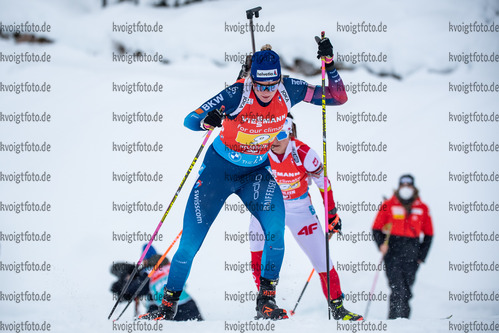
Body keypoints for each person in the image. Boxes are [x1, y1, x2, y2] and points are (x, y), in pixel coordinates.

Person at [140, 36, 348, 320]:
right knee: (190, 243)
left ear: (279, 79)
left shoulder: (290, 90)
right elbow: (190, 119)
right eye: (260, 85)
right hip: (219, 172)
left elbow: (337, 97)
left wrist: (329, 64)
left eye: (271, 85)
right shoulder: (236, 94)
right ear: (252, 78)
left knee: (275, 231)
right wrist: (207, 120)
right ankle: (167, 305)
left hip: (255, 174)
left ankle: (267, 300)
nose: (265, 91)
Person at [248, 116, 363, 321]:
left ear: (290, 133)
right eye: (271, 135)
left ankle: (338, 307)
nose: (275, 141)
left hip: (299, 208)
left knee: (322, 258)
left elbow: (323, 183)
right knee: (257, 249)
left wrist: (331, 214)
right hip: (267, 206)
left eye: (281, 135)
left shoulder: (303, 153)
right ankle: (265, 305)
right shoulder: (260, 151)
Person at [371, 174, 433, 319]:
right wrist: (381, 245)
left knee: (406, 290)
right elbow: (376, 228)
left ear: (413, 187)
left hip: (412, 252)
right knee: (396, 288)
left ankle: (404, 322)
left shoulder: (422, 208)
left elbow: (429, 234)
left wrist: (421, 257)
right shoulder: (389, 204)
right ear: (399, 187)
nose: (406, 188)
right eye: (403, 185)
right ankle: (393, 321)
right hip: (393, 250)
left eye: (408, 186)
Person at [110, 245, 203, 321]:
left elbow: (134, 289)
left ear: (145, 260)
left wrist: (123, 282)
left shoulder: (148, 272)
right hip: (189, 304)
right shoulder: (170, 266)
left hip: (167, 310)